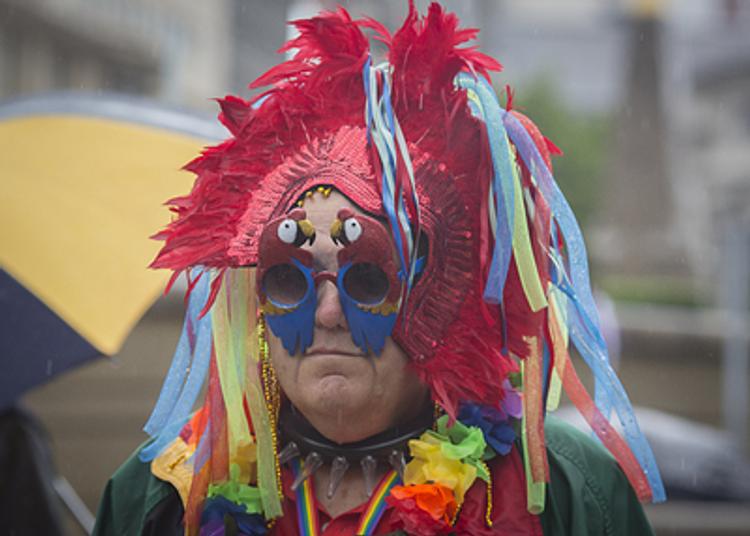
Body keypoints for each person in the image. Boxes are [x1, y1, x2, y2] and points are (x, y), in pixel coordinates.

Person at [93, 3, 664, 535]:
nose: (328, 313)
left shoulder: (560, 493)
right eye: (289, 279)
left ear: (442, 301)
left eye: (366, 278)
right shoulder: (167, 497)